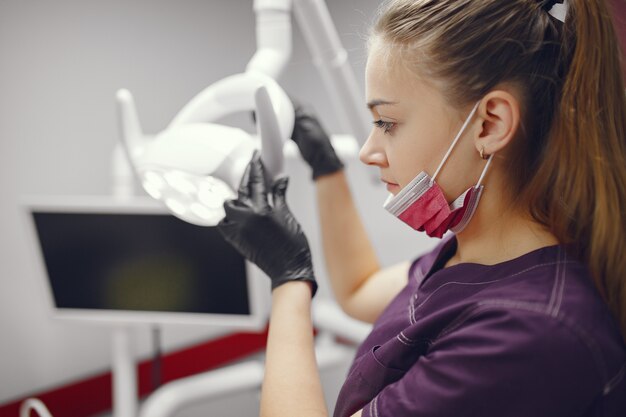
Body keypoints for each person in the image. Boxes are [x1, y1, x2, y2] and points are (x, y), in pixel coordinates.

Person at [217, 0, 626, 415]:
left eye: (387, 124)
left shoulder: (528, 331)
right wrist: (325, 168)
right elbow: (359, 290)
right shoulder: (472, 253)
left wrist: (288, 280)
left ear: (490, 124)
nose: (367, 151)